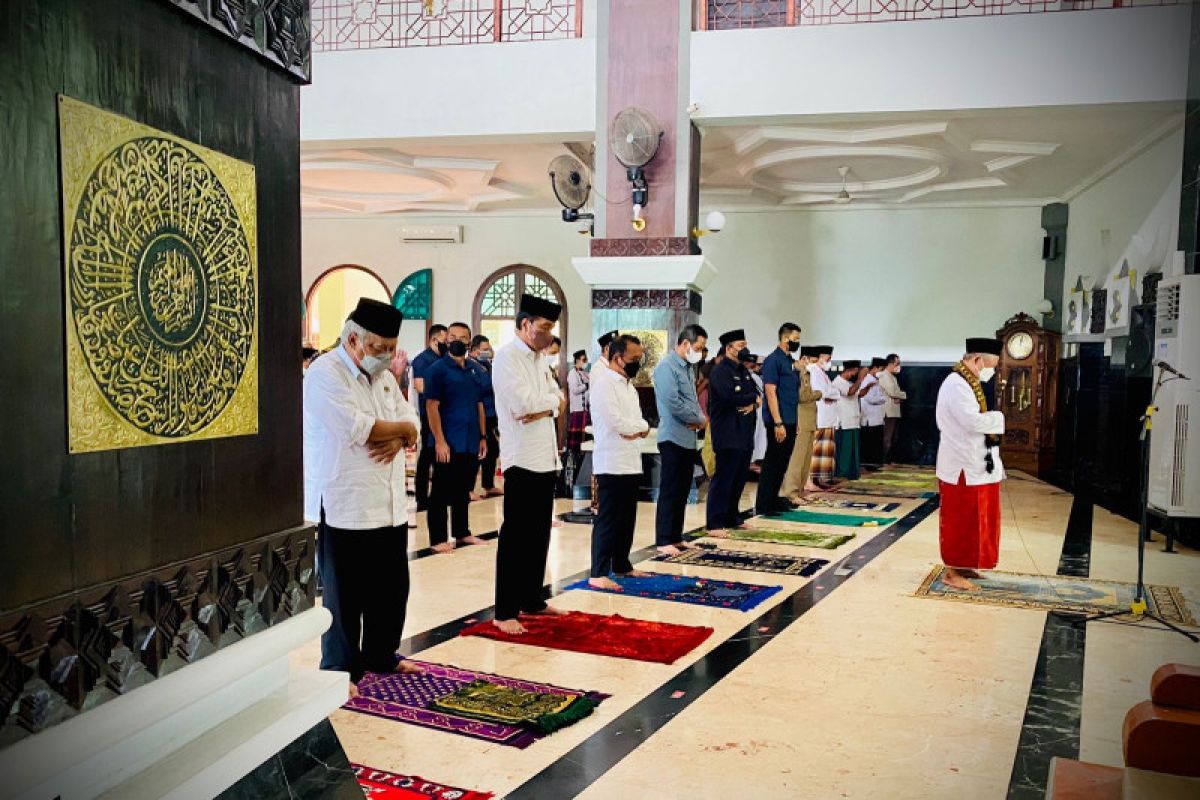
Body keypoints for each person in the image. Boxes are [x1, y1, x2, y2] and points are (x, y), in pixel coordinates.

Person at [304, 298, 422, 689]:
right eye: (379, 348)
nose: (387, 356)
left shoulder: (384, 377)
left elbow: (411, 419)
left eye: (391, 348)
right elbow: (358, 427)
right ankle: (340, 670)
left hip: (388, 504)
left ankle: (380, 655)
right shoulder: (325, 373)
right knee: (346, 595)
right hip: (346, 502)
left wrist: (403, 430)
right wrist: (398, 431)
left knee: (391, 591)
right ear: (353, 339)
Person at [492, 294, 569, 634]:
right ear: (525, 325)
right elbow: (522, 406)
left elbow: (559, 400)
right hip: (521, 458)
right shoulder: (507, 358)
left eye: (552, 328)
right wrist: (551, 404)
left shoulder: (540, 360)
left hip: (545, 456)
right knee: (516, 536)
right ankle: (505, 609)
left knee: (539, 534)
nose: (549, 335)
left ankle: (532, 598)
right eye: (544, 327)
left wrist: (549, 404)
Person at [936, 338, 1006, 591]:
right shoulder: (956, 385)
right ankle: (952, 572)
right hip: (961, 466)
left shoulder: (967, 381)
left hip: (975, 462)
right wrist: (998, 417)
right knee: (961, 520)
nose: (993, 372)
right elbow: (971, 422)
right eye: (991, 366)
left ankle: (965, 564)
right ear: (977, 360)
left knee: (978, 519)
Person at [588, 335, 652, 589]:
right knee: (608, 517)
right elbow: (617, 424)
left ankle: (622, 564)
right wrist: (637, 428)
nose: (637, 363)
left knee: (627, 517)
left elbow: (640, 422)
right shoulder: (604, 383)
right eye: (634, 359)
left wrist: (638, 428)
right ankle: (598, 571)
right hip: (611, 459)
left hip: (630, 459)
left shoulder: (628, 385)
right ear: (617, 358)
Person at [425, 322, 490, 554]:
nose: (457, 341)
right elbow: (432, 407)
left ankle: (462, 533)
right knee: (441, 491)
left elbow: (479, 405)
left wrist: (483, 436)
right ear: (445, 339)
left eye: (462, 338)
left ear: (469, 342)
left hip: (470, 439)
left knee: (464, 489)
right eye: (452, 336)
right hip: (447, 441)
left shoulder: (475, 370)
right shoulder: (437, 370)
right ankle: (438, 538)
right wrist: (440, 440)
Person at [654, 325, 708, 555]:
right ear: (686, 343)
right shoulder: (666, 367)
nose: (700, 352)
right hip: (672, 436)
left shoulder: (688, 367)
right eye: (698, 347)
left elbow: (691, 399)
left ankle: (676, 535)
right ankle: (664, 538)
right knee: (670, 489)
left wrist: (698, 419)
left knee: (683, 489)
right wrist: (699, 418)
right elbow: (673, 402)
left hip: (688, 437)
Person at [706, 330, 759, 535]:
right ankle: (715, 522)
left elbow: (754, 393)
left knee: (738, 478)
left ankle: (732, 516)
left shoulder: (743, 371)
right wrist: (750, 400)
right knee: (724, 478)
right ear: (728, 348)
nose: (744, 349)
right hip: (728, 433)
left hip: (744, 433)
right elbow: (729, 397)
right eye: (740, 345)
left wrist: (751, 400)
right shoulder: (720, 372)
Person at [756, 323, 803, 514]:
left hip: (790, 418)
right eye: (796, 339)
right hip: (778, 421)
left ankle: (774, 498)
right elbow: (770, 392)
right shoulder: (773, 360)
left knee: (783, 461)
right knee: (773, 461)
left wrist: (795, 421)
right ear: (785, 338)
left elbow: (793, 393)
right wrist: (778, 422)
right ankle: (764, 504)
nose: (797, 343)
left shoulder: (789, 360)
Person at [411, 324, 449, 512]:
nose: (447, 345)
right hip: (428, 415)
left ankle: (440, 496)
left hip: (445, 415)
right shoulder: (422, 360)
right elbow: (420, 386)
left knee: (442, 457)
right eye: (444, 341)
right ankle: (421, 499)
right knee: (426, 457)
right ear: (434, 340)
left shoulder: (445, 359)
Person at [780, 345, 823, 503]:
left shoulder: (807, 373)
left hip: (810, 420)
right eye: (813, 360)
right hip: (801, 420)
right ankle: (790, 492)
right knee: (797, 459)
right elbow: (802, 396)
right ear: (804, 358)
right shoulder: (799, 373)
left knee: (806, 460)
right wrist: (818, 394)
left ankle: (799, 490)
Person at [468, 334, 502, 499]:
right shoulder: (471, 366)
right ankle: (468, 488)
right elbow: (485, 387)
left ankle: (488, 485)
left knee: (493, 450)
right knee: (478, 451)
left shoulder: (486, 364)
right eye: (485, 349)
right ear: (474, 351)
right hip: (478, 415)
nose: (488, 352)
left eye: (489, 349)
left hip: (491, 414)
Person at [808, 346, 840, 488]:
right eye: (827, 358)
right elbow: (823, 393)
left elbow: (834, 392)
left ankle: (821, 479)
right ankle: (812, 480)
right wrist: (831, 394)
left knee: (825, 451)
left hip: (828, 418)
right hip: (820, 417)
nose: (829, 361)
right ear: (820, 357)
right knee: (816, 451)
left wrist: (832, 394)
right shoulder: (813, 371)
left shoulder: (823, 373)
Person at [833, 360, 867, 481]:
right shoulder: (838, 382)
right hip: (845, 421)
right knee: (845, 451)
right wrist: (861, 379)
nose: (857, 375)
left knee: (853, 449)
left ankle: (852, 472)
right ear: (850, 370)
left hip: (853, 420)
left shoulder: (848, 382)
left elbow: (859, 393)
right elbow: (850, 392)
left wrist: (868, 385)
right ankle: (842, 473)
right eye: (856, 372)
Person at [879, 353, 907, 463]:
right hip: (888, 412)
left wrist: (899, 396)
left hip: (894, 411)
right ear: (891, 363)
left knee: (892, 438)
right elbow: (893, 392)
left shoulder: (892, 377)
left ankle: (888, 460)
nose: (899, 366)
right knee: (887, 438)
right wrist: (903, 395)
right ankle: (884, 461)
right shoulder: (884, 375)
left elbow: (896, 394)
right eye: (897, 363)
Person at [860, 357, 888, 469]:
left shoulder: (875, 380)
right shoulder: (867, 380)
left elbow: (881, 396)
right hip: (869, 417)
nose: (881, 372)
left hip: (876, 416)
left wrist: (882, 397)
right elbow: (870, 398)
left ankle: (875, 464)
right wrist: (883, 398)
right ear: (875, 368)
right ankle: (869, 464)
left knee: (876, 441)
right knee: (870, 442)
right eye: (881, 369)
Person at [566, 349, 591, 454]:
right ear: (577, 360)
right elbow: (574, 390)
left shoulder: (584, 373)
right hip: (577, 409)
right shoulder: (572, 374)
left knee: (584, 435)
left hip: (585, 409)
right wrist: (586, 386)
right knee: (576, 438)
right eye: (583, 359)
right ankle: (573, 456)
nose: (585, 362)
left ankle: (581, 457)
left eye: (586, 359)